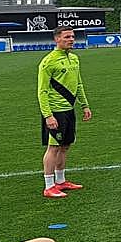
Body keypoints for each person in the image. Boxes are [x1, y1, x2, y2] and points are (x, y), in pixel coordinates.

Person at [39, 27, 91, 198]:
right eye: (67, 37)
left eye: (73, 36)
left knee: (65, 146)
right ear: (57, 39)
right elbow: (42, 91)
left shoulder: (74, 59)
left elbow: (79, 84)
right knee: (53, 147)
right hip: (55, 112)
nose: (71, 39)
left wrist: (84, 105)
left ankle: (60, 181)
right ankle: (49, 186)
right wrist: (48, 115)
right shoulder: (48, 62)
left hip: (69, 110)